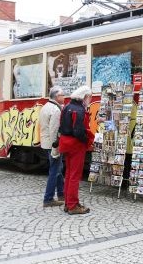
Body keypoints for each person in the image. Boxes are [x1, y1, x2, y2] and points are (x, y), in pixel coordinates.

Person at [59, 86, 94, 215]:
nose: (90, 99)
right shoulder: (79, 110)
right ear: (84, 97)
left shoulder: (67, 106)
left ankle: (68, 203)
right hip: (76, 145)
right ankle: (73, 205)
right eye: (89, 97)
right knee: (75, 175)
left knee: (68, 174)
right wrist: (87, 141)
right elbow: (79, 131)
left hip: (66, 143)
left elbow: (61, 125)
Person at [40, 86, 65, 207]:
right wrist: (56, 148)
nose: (64, 97)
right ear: (56, 96)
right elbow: (54, 131)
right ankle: (48, 198)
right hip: (53, 144)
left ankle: (61, 193)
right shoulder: (55, 110)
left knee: (58, 169)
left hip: (46, 143)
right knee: (55, 170)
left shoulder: (45, 107)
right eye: (62, 95)